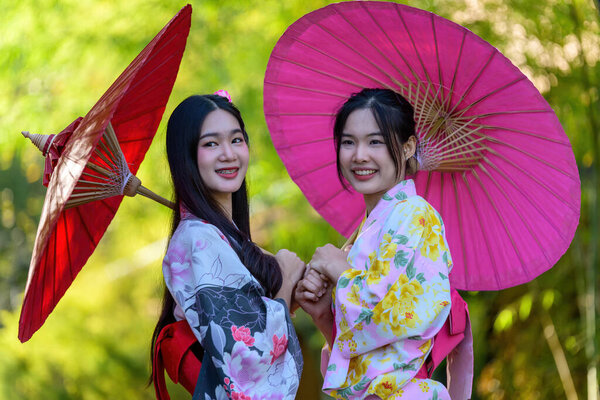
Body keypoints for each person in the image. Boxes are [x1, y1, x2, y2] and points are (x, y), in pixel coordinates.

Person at [296, 88, 467, 399]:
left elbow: (393, 316)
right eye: (348, 142)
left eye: (375, 141)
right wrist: (322, 313)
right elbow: (361, 346)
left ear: (407, 147)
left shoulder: (416, 214)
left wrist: (339, 270)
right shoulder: (369, 229)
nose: (359, 155)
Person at [150, 92, 305, 400]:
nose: (229, 154)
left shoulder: (219, 235)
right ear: (187, 156)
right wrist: (286, 281)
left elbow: (246, 321)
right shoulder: (199, 240)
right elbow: (249, 362)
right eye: (210, 144)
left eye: (236, 140)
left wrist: (293, 292)